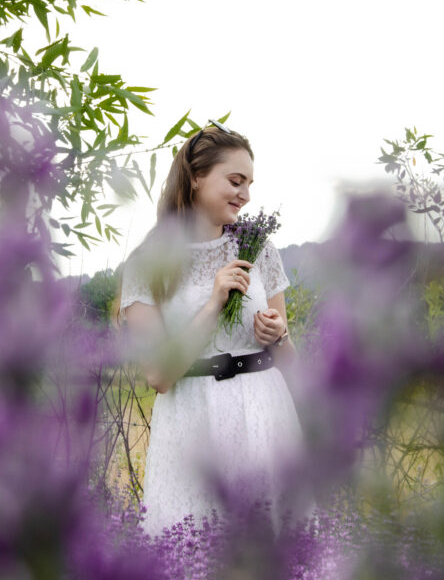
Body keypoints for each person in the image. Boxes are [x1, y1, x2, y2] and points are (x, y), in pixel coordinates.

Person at [119, 122, 307, 536]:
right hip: (193, 419)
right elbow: (158, 376)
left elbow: (290, 361)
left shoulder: (259, 249)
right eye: (235, 181)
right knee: (195, 555)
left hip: (265, 414)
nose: (246, 194)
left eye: (250, 184)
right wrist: (213, 302)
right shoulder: (148, 264)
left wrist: (279, 336)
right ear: (196, 177)